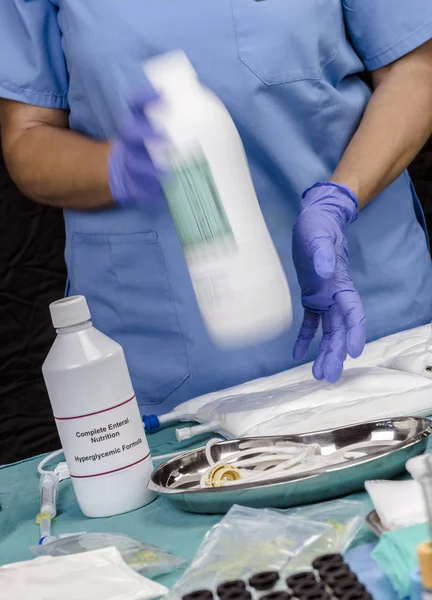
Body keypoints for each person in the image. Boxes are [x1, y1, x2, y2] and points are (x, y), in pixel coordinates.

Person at [1, 1, 432, 416]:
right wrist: (114, 167)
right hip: (168, 342)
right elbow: (27, 135)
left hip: (364, 300)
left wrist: (341, 197)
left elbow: (415, 68)